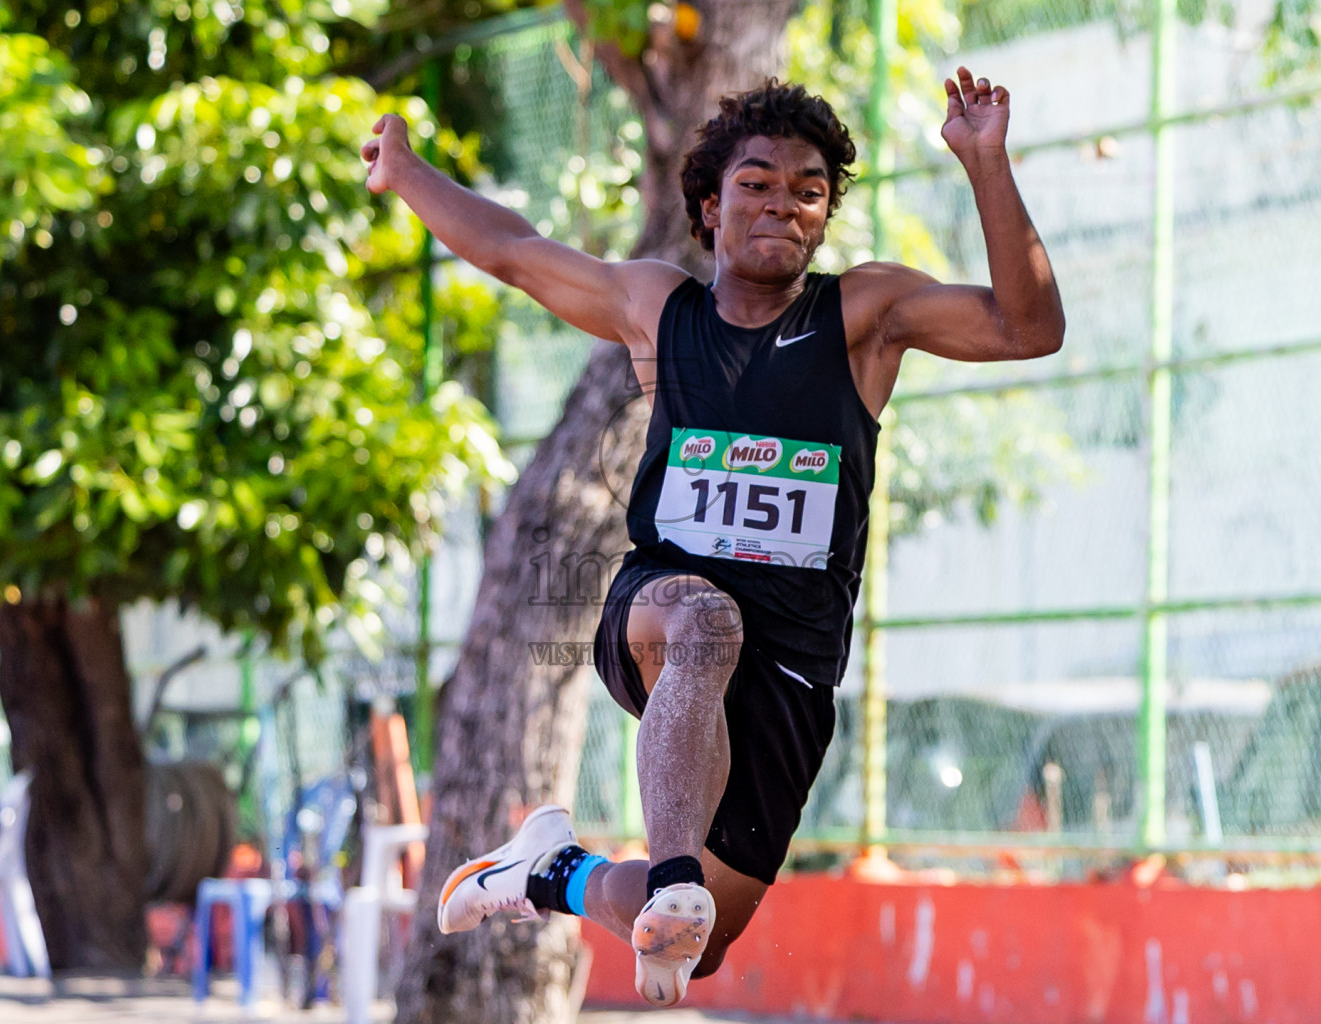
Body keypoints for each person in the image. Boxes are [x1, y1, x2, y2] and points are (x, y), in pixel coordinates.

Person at [363, 69, 1064, 1006]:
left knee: (703, 941)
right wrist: (408, 176)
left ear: (824, 217)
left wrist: (985, 161)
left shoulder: (863, 317)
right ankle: (674, 871)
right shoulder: (661, 311)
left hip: (794, 662)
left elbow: (1029, 328)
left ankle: (548, 871)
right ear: (709, 204)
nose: (783, 204)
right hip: (660, 608)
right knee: (704, 626)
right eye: (758, 183)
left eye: (808, 190)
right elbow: (517, 252)